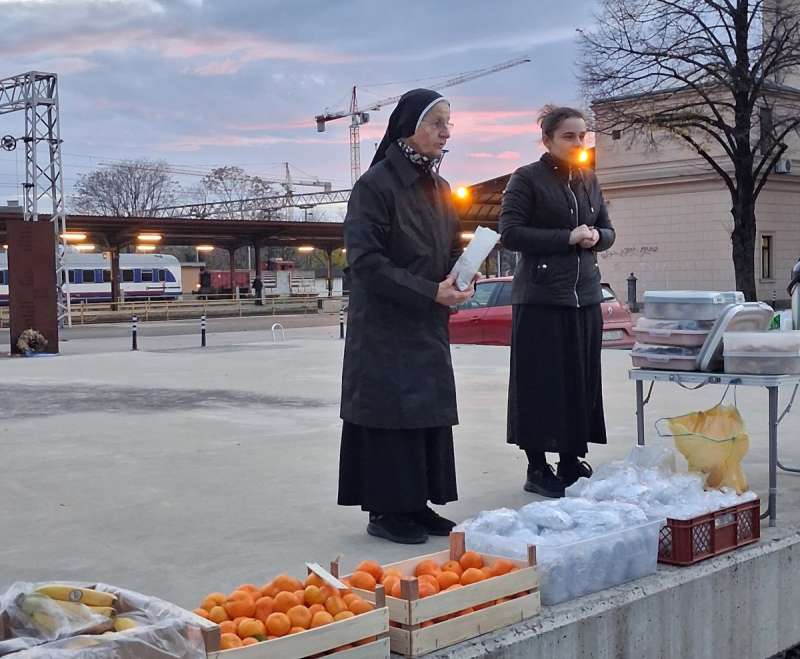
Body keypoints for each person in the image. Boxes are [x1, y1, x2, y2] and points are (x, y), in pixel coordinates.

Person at [338, 89, 475, 544]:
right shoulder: (375, 186)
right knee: (391, 414)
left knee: (424, 413)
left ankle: (417, 503)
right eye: (436, 121)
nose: (445, 131)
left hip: (428, 319)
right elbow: (366, 262)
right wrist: (426, 292)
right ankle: (386, 511)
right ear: (406, 126)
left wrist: (461, 276)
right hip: (384, 325)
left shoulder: (439, 189)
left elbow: (451, 246)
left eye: (448, 122)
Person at [499, 106, 616, 498]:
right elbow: (511, 233)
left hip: (584, 299)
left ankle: (570, 459)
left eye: (583, 135)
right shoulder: (526, 179)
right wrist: (565, 238)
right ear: (547, 140)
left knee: (580, 382)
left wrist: (598, 237)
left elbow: (608, 228)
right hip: (541, 299)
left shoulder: (589, 180)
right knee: (541, 384)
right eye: (569, 136)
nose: (578, 142)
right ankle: (536, 466)